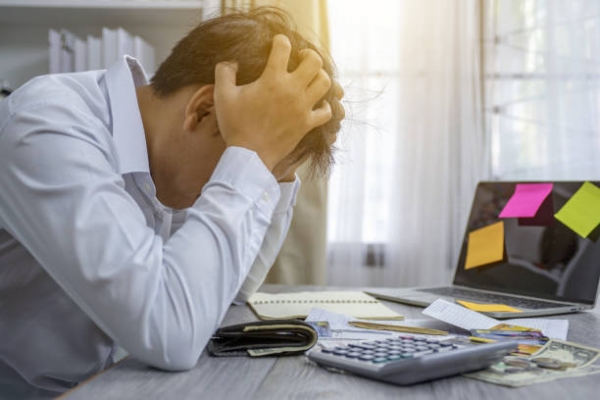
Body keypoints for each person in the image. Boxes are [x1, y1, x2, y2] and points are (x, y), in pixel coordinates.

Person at [0, 7, 344, 398]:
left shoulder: (161, 154)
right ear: (202, 110)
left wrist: (279, 170)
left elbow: (231, 291)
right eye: (245, 161)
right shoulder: (46, 127)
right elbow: (170, 332)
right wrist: (249, 158)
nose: (246, 175)